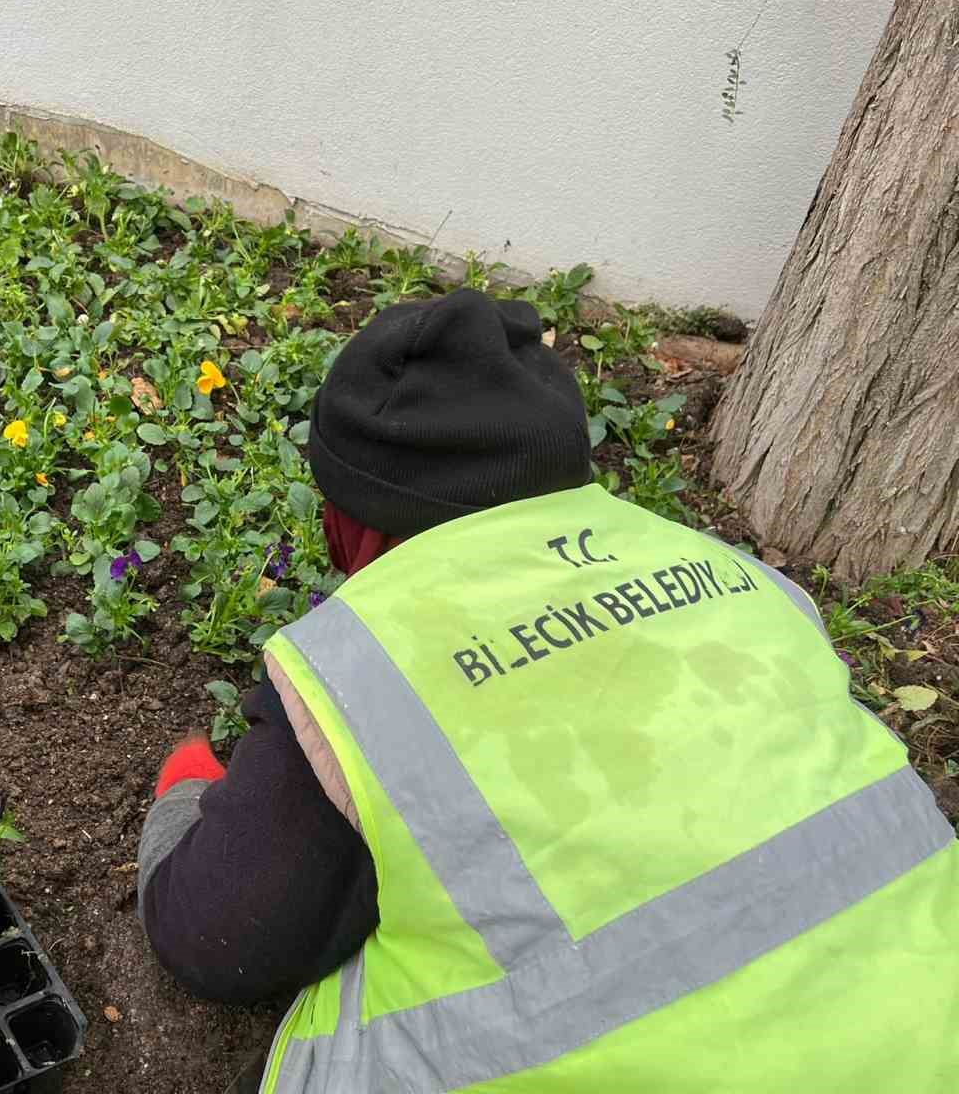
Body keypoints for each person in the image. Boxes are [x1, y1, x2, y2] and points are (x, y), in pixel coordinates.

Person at [138, 289, 959, 1092]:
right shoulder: (738, 576)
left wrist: (183, 785)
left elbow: (215, 938)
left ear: (345, 524)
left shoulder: (369, 667)